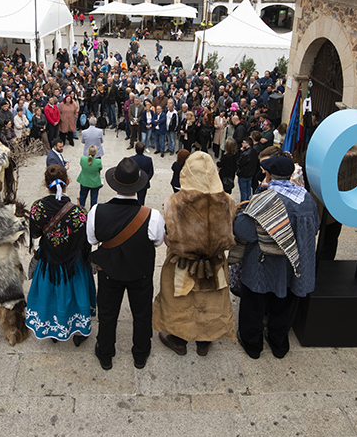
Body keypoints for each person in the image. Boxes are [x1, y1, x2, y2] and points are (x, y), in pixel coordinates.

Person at [231, 155, 319, 360]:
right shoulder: (306, 199)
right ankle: (279, 343)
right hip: (294, 264)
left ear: (269, 175)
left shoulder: (266, 199)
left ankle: (252, 344)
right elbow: (314, 228)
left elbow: (245, 232)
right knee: (286, 303)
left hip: (263, 264)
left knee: (254, 303)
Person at [153, 152, 237, 357]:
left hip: (182, 262)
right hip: (214, 263)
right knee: (210, 301)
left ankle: (179, 340)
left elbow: (169, 237)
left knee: (180, 301)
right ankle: (204, 342)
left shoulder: (174, 202)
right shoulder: (228, 201)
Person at [86, 157, 165, 370]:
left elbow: (92, 240)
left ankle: (105, 353)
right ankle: (140, 354)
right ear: (138, 185)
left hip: (109, 272)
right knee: (141, 313)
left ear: (114, 182)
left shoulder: (96, 211)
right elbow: (158, 242)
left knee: (108, 313)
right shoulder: (153, 215)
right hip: (140, 273)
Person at [25, 164, 96, 343]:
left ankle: (53, 330)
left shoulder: (37, 208)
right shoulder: (79, 212)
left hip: (49, 262)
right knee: (76, 295)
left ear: (45, 184)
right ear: (68, 182)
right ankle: (79, 332)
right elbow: (85, 241)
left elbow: (35, 234)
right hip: (74, 264)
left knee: (51, 295)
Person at [131, 142, 154, 206]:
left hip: (134, 182)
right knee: (141, 200)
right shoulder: (148, 160)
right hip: (143, 183)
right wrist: (145, 179)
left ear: (135, 150)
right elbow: (151, 172)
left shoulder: (131, 159)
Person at [237, 137, 259, 203]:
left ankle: (243, 204)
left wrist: (241, 152)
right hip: (251, 174)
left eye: (243, 143)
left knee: (243, 191)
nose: (242, 144)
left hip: (243, 174)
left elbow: (239, 163)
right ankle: (248, 203)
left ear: (247, 144)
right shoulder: (254, 151)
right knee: (248, 190)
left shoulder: (245, 154)